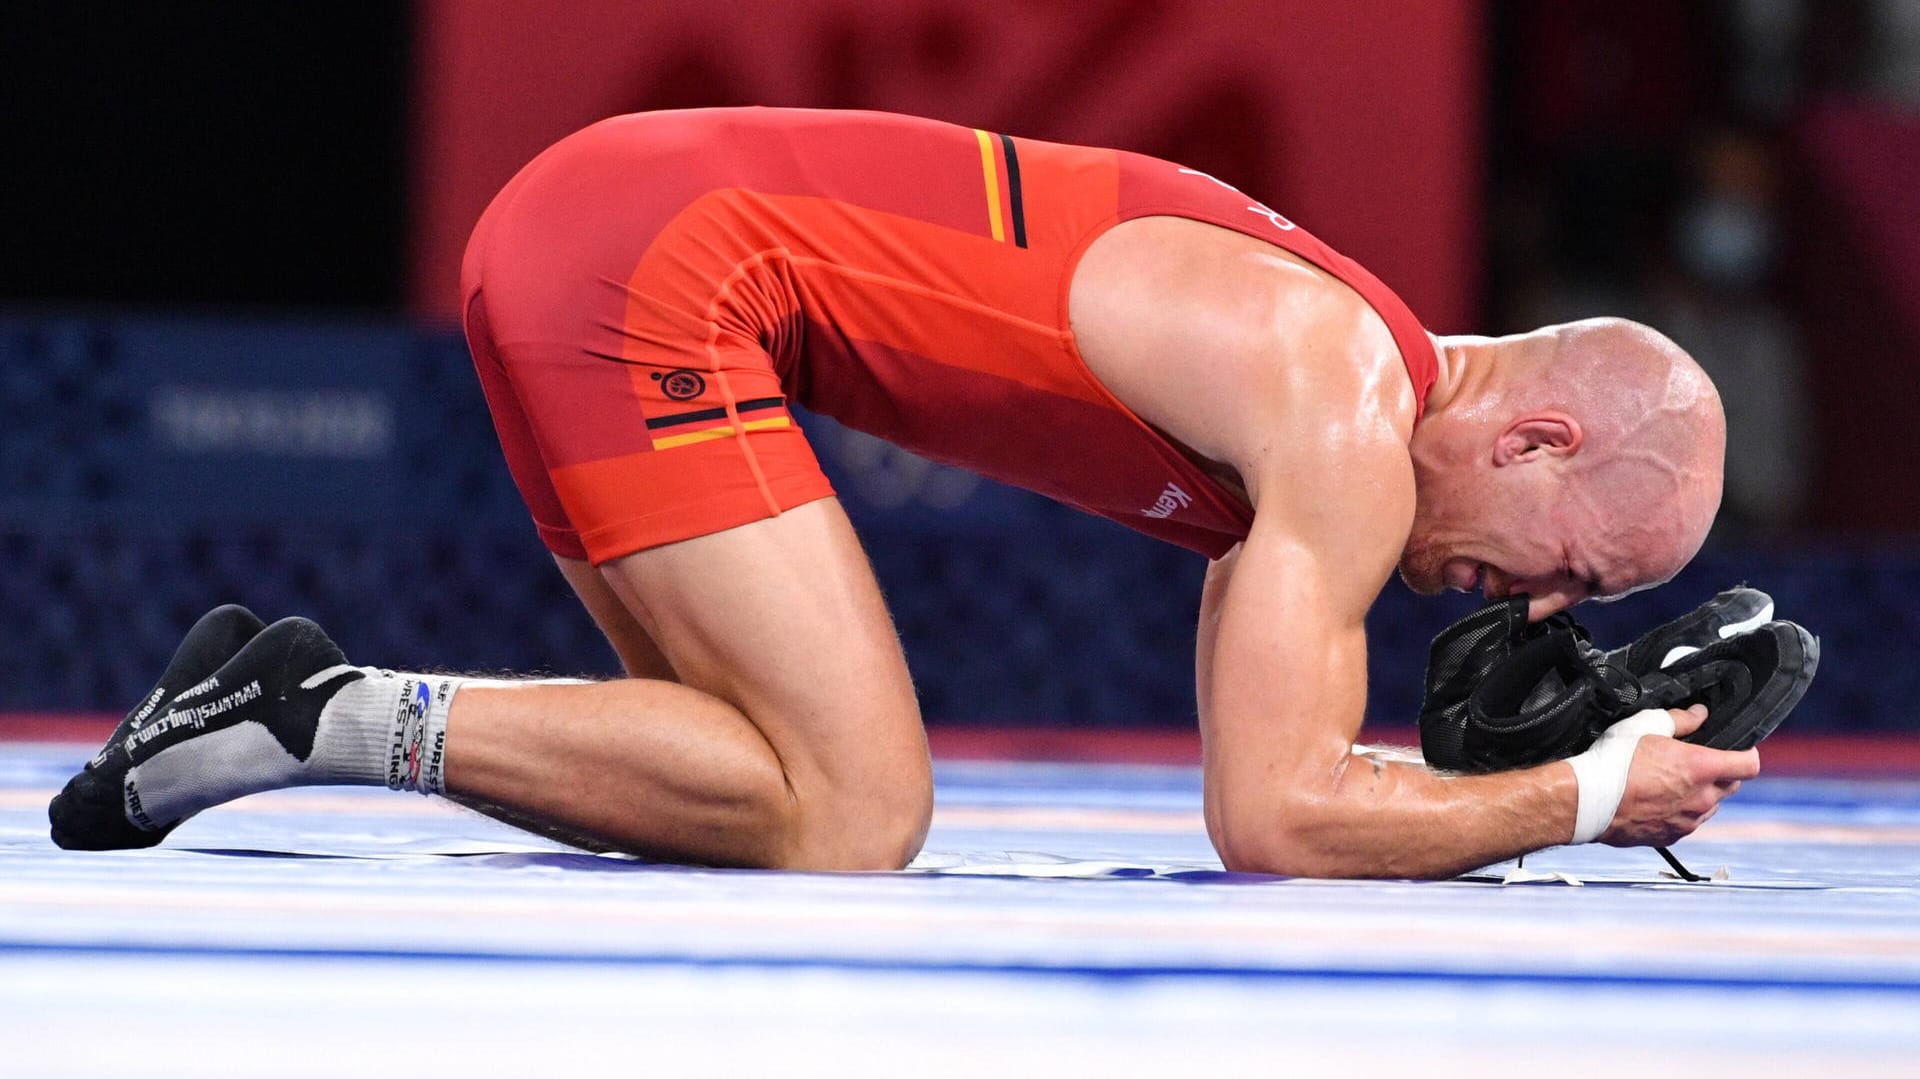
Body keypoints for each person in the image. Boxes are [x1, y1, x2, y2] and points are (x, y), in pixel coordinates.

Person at [51, 107, 1757, 879]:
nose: (1542, 609)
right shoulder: (1343, 411)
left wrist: (1534, 782)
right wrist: (1581, 800)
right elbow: (1276, 825)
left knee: (747, 792)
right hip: (651, 270)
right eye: (1576, 575)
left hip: (600, 228)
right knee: (858, 811)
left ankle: (282, 711)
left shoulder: (1328, 380)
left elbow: (1299, 781)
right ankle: (311, 710)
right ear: (1538, 446)